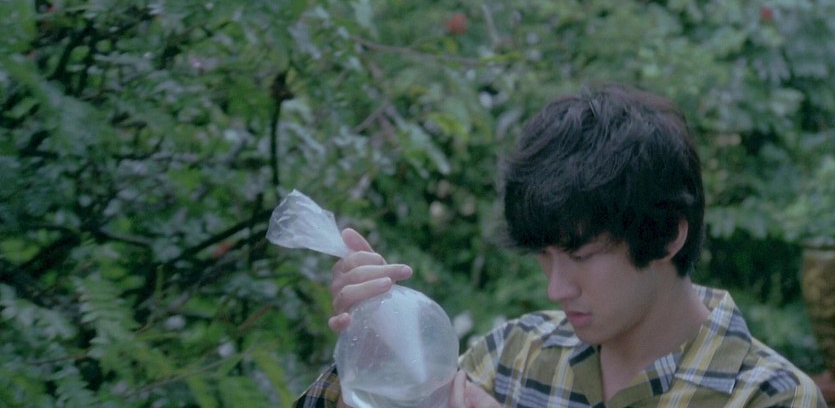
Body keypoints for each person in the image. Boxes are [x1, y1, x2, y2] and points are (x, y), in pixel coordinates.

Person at [293, 83, 827, 408]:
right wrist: (375, 353)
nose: (556, 288)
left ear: (667, 235)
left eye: (580, 256)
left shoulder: (768, 395)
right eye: (544, 256)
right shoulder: (515, 355)